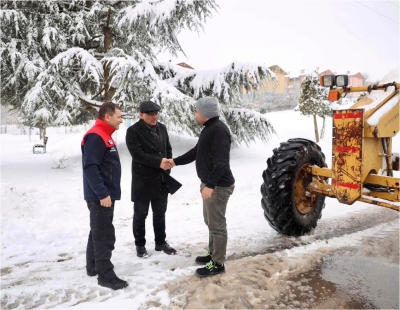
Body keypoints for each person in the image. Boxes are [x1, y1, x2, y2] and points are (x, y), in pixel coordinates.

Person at [169, 96, 235, 278]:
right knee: (210, 221)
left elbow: (222, 163)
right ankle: (212, 253)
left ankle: (218, 263)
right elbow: (196, 152)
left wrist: (211, 185)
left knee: (217, 224)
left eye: (197, 111)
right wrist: (175, 162)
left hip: (219, 186)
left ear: (205, 113)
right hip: (211, 184)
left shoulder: (219, 130)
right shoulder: (209, 129)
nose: (195, 114)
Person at [81, 102, 128, 290]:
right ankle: (105, 275)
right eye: (119, 116)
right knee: (104, 234)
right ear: (107, 116)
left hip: (105, 194)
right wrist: (102, 193)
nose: (121, 120)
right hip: (101, 196)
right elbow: (90, 167)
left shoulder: (104, 135)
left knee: (98, 230)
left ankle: (93, 266)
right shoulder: (96, 136)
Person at [125, 100, 177, 258]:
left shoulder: (162, 128)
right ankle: (140, 245)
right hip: (143, 180)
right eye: (150, 114)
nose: (154, 116)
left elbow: (167, 147)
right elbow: (137, 154)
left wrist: (168, 161)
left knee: (160, 213)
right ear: (141, 115)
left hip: (161, 179)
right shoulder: (133, 131)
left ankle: (160, 242)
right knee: (141, 214)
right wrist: (159, 162)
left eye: (156, 113)